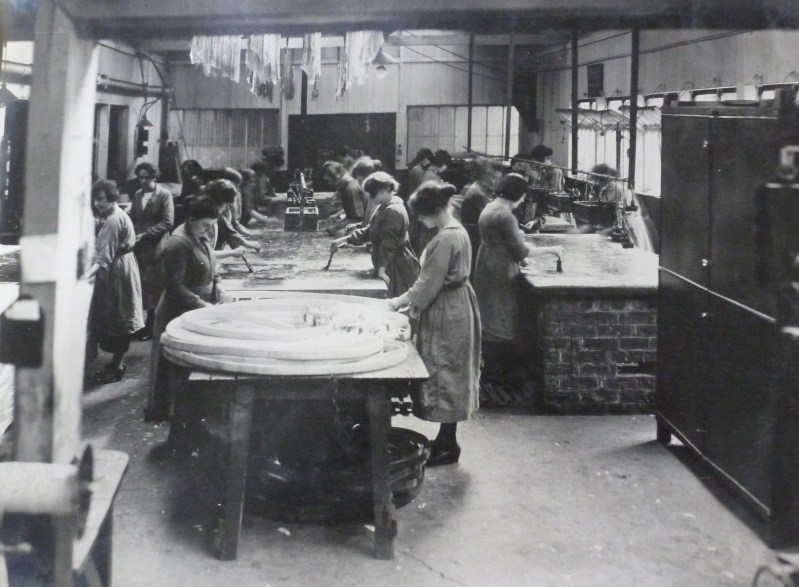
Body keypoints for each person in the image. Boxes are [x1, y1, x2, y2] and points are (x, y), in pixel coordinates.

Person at [386, 181, 481, 466]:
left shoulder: (444, 239)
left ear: (433, 211)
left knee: (443, 372)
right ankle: (446, 439)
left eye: (421, 214)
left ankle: (448, 445)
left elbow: (426, 286)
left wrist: (396, 303)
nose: (420, 220)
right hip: (457, 304)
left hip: (446, 310)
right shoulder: (457, 230)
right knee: (452, 371)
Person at [473, 173, 562, 385]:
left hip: (486, 264)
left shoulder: (490, 207)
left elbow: (504, 242)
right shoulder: (506, 216)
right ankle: (499, 376)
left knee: (489, 315)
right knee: (503, 317)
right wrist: (553, 251)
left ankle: (488, 371)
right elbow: (521, 251)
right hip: (501, 271)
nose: (523, 200)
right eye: (523, 196)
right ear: (517, 194)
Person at [146, 195, 225, 422]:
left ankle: (195, 409)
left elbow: (210, 263)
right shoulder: (178, 243)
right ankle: (176, 414)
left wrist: (219, 285)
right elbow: (173, 286)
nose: (209, 230)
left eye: (211, 225)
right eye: (205, 225)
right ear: (191, 219)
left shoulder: (200, 235)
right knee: (177, 363)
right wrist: (201, 304)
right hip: (179, 309)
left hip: (200, 306)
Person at [86, 180, 144, 384]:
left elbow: (104, 257)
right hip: (124, 266)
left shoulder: (113, 220)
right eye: (95, 200)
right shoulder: (116, 214)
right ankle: (116, 363)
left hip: (117, 272)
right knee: (120, 316)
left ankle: (117, 366)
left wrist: (85, 277)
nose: (97, 203)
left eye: (101, 199)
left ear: (111, 198)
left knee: (117, 318)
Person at [330, 171, 420, 297]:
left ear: (384, 190)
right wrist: (344, 240)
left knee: (394, 301)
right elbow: (371, 230)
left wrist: (382, 269)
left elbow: (389, 243)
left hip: (397, 265)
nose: (370, 198)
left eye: (372, 194)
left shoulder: (393, 211)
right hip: (390, 260)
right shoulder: (385, 206)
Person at [130, 162, 174, 340]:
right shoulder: (138, 194)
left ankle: (153, 325)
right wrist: (132, 234)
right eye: (140, 177)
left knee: (154, 286)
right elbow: (133, 218)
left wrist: (145, 234)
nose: (143, 181)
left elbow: (167, 222)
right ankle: (143, 324)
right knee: (141, 284)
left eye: (146, 177)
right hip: (140, 246)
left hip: (157, 246)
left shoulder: (164, 195)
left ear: (154, 177)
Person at [459, 157, 501, 277]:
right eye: (492, 177)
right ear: (485, 175)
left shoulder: (478, 189)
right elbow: (487, 222)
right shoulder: (477, 193)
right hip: (476, 242)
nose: (494, 181)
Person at [323, 160, 366, 236]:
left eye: (329, 182)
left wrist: (335, 227)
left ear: (337, 178)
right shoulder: (349, 186)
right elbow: (352, 214)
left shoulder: (351, 189)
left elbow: (358, 219)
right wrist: (337, 217)